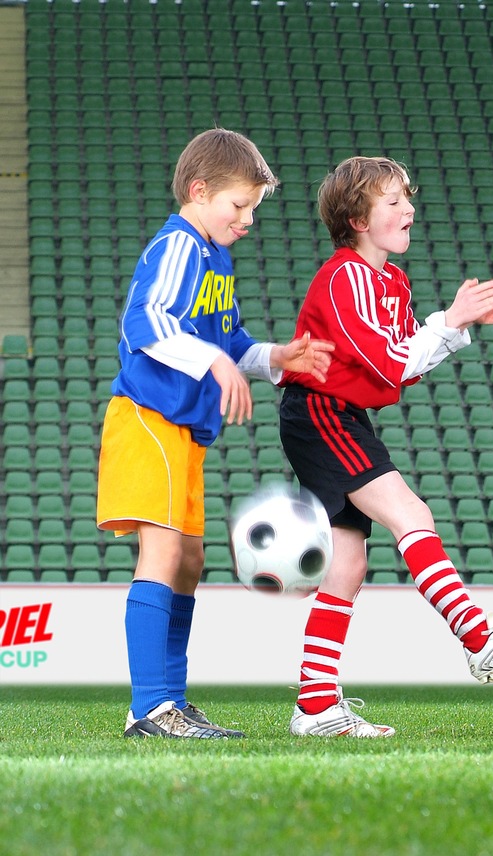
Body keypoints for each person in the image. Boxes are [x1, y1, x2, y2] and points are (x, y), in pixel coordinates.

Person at [278, 156, 493, 738]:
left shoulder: (392, 282)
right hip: (320, 414)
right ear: (357, 218)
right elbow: (386, 361)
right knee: (411, 514)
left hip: (342, 414)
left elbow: (399, 371)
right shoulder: (343, 278)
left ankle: (314, 707)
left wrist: (457, 327)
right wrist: (450, 319)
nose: (409, 209)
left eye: (408, 197)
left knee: (349, 565)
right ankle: (479, 639)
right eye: (393, 202)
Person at [97, 128, 335, 739]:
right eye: (240, 205)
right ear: (199, 191)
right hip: (148, 419)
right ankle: (150, 708)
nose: (249, 218)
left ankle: (168, 700)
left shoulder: (214, 257)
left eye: (255, 207)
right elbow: (145, 321)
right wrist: (214, 363)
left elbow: (228, 342)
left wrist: (277, 356)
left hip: (182, 432)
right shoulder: (177, 243)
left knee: (191, 561)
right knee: (165, 553)